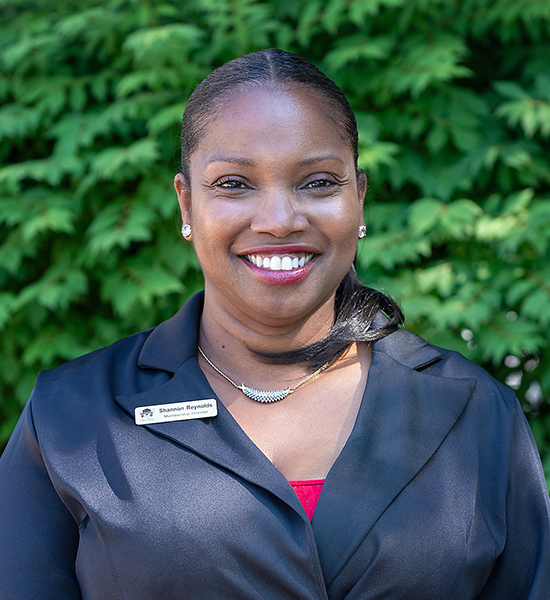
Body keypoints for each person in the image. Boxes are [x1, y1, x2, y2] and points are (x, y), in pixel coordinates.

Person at [0, 49, 548, 600]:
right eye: (234, 184)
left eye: (317, 182)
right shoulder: (70, 417)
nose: (280, 221)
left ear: (359, 200)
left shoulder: (477, 414)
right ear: (186, 205)